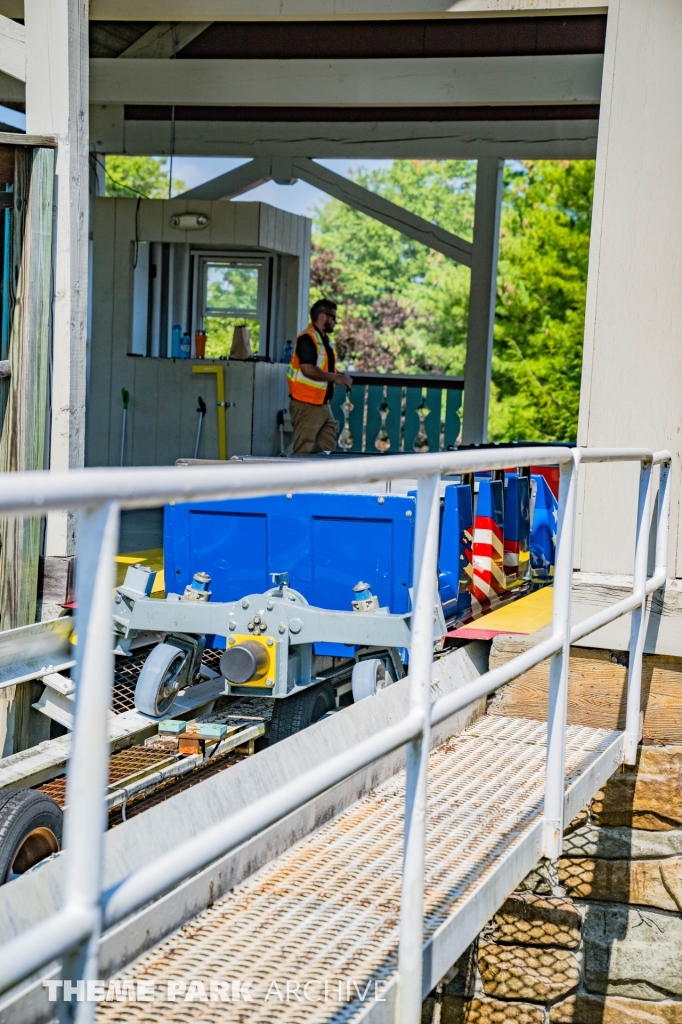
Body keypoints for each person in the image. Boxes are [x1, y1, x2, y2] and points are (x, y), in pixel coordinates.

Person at [286, 299, 353, 454]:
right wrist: (335, 378)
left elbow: (324, 367)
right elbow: (308, 369)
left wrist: (340, 375)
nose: (335, 321)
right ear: (322, 316)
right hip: (305, 403)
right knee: (304, 448)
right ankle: (296, 471)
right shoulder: (307, 338)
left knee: (327, 447)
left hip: (321, 404)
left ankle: (323, 471)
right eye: (333, 317)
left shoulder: (322, 339)